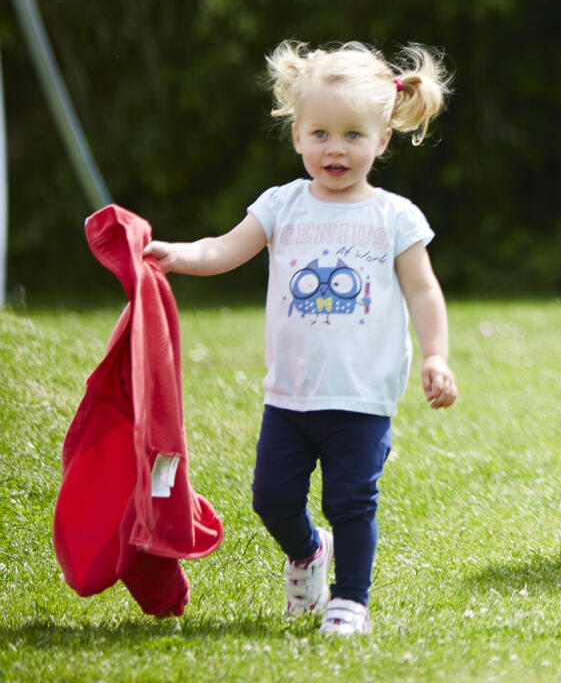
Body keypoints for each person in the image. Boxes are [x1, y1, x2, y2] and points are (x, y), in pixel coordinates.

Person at [147, 41, 457, 635]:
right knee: (271, 497)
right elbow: (224, 249)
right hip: (289, 395)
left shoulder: (395, 218)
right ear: (297, 137)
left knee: (352, 501)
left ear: (382, 139)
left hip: (361, 399)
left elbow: (423, 292)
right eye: (319, 133)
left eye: (351, 135)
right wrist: (178, 256)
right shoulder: (280, 206)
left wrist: (436, 355)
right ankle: (309, 551)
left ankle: (350, 600)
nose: (334, 148)